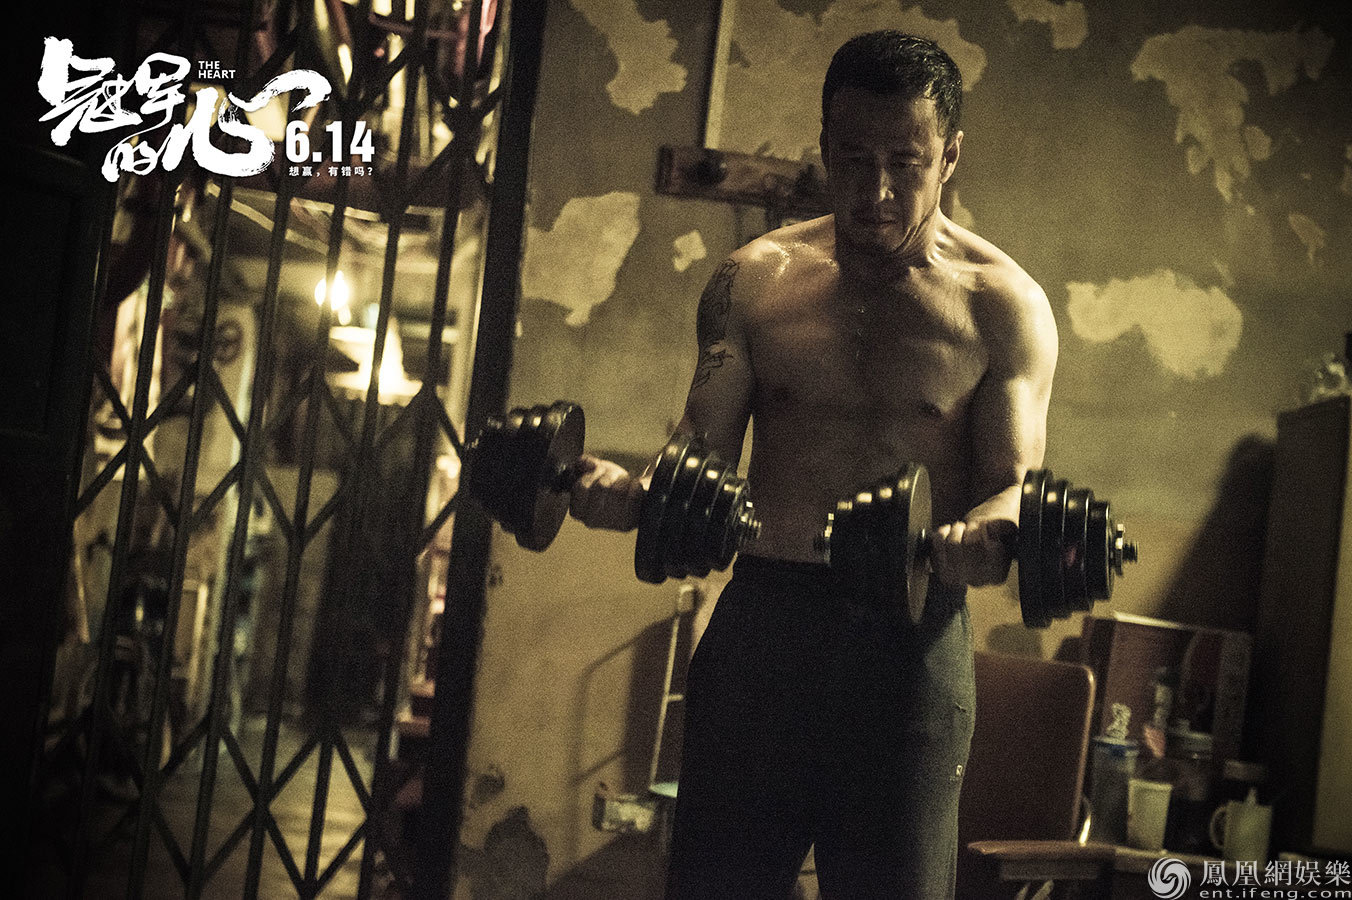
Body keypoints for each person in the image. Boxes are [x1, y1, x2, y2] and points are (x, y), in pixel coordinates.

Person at [569, 30, 1058, 899]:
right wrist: (634, 495)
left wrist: (986, 536)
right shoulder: (756, 281)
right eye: (854, 159)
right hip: (765, 627)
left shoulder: (1001, 306)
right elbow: (701, 450)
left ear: (949, 157)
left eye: (905, 163)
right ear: (825, 147)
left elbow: (1013, 484)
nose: (876, 191)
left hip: (911, 648)